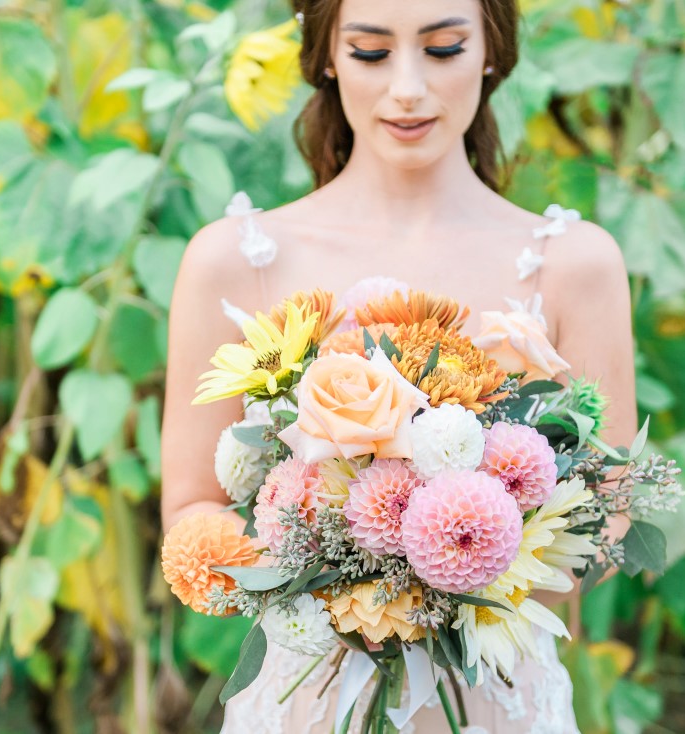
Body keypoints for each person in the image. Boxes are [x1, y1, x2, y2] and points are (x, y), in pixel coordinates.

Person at [160, 0, 637, 730]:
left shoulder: (575, 266)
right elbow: (191, 508)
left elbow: (605, 530)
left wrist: (451, 553)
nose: (408, 87)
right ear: (325, 56)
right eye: (372, 53)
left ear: (490, 51)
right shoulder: (235, 261)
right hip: (305, 703)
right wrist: (332, 557)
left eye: (443, 48)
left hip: (494, 701)